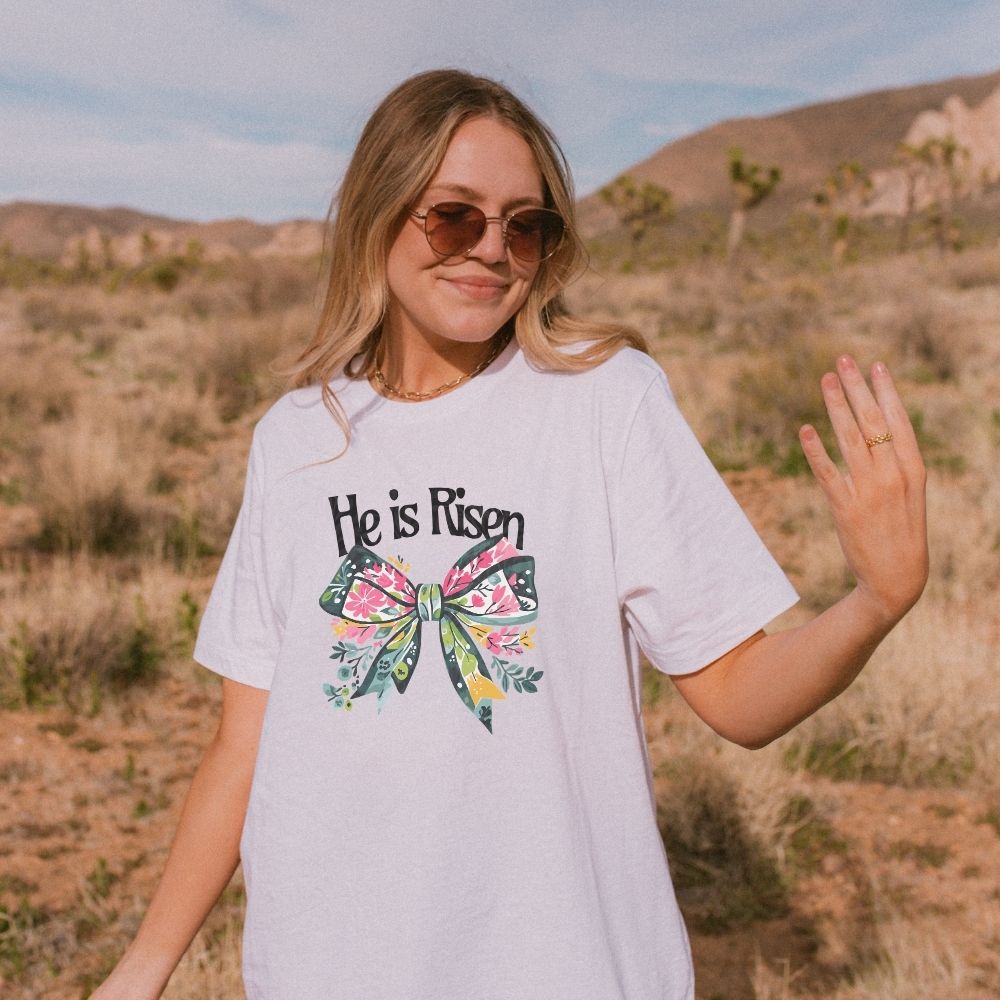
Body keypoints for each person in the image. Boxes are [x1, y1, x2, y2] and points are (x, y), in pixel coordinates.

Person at [92, 69, 928, 1000]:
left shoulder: (604, 401)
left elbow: (740, 697)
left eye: (524, 225)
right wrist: (141, 970)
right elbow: (243, 746)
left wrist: (875, 602)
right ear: (380, 211)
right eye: (455, 217)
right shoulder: (296, 439)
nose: (492, 249)